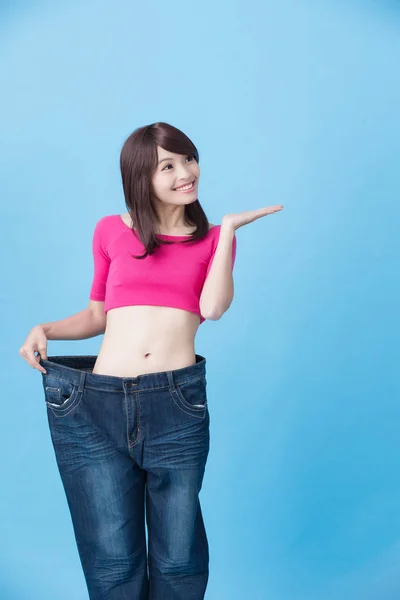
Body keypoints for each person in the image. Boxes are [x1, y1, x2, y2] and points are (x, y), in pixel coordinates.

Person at [19, 121, 283, 599]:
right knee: (112, 560)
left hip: (174, 403)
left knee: (178, 557)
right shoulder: (109, 231)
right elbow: (98, 314)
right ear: (142, 177)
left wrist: (226, 234)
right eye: (169, 165)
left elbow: (212, 309)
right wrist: (46, 329)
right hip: (96, 404)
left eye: (189, 159)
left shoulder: (212, 240)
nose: (186, 172)